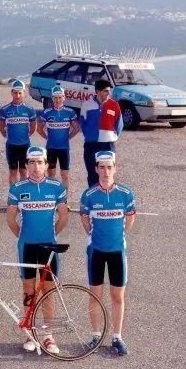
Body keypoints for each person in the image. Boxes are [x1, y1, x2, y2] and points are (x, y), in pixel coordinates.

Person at [6, 146, 68, 354]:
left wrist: (51, 235)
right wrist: (23, 237)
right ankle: (30, 333)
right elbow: (11, 219)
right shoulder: (17, 188)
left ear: (46, 164)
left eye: (39, 162)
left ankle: (48, 335)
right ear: (26, 165)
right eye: (31, 162)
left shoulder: (57, 187)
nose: (35, 166)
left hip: (49, 247)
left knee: (48, 290)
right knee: (29, 290)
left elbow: (63, 216)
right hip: (27, 247)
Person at [79, 151, 135, 356]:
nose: (105, 171)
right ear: (96, 169)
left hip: (117, 251)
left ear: (115, 168)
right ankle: (95, 335)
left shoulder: (126, 194)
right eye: (101, 167)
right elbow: (85, 220)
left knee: (117, 296)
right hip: (96, 251)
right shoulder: (89, 195)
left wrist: (119, 236)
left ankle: (117, 337)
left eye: (109, 167)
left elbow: (130, 218)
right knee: (95, 295)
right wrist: (95, 236)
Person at [80, 80, 124, 187]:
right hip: (91, 145)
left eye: (109, 91)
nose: (109, 93)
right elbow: (82, 124)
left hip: (108, 145)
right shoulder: (87, 105)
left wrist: (111, 136)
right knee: (92, 174)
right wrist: (90, 136)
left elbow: (119, 125)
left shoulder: (114, 105)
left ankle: (107, 196)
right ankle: (93, 196)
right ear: (97, 91)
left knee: (107, 175)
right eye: (105, 91)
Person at [37, 85, 79, 191]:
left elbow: (76, 129)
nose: (57, 100)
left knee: (65, 175)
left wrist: (68, 138)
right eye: (55, 97)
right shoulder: (46, 112)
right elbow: (39, 129)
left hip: (64, 148)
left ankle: (64, 198)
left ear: (64, 98)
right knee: (51, 176)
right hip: (51, 148)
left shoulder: (70, 112)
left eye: (60, 97)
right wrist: (47, 138)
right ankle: (52, 197)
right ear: (52, 98)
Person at [0, 80, 37, 185]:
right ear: (12, 92)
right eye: (15, 93)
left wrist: (26, 136)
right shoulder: (4, 110)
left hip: (25, 145)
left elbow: (33, 127)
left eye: (20, 93)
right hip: (11, 145)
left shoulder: (29, 110)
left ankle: (23, 192)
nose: (18, 95)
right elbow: (1, 125)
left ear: (24, 93)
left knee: (24, 171)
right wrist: (6, 135)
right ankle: (13, 192)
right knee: (13, 172)